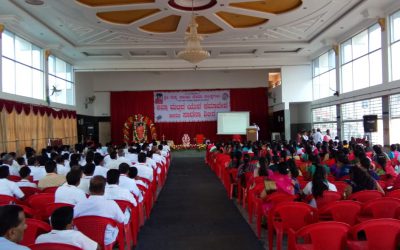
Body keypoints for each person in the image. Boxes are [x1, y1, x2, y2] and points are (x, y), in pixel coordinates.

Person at [74, 176, 125, 245]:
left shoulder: (79, 204)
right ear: (104, 190)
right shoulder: (112, 204)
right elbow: (122, 220)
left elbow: (73, 219)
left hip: (83, 238)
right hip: (105, 239)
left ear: (89, 189)